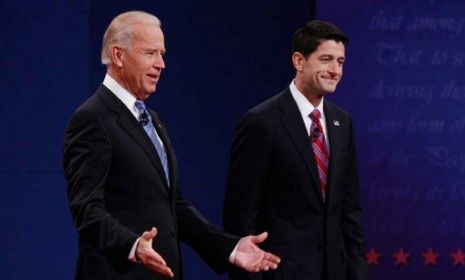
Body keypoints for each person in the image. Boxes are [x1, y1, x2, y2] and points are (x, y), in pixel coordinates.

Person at [63, 11, 280, 280]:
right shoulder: (92, 118)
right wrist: (132, 245)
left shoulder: (152, 119)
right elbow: (86, 209)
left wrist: (230, 248)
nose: (161, 64)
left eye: (162, 53)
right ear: (118, 56)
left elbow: (172, 206)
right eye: (150, 53)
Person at [223, 20, 368, 280]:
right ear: (299, 61)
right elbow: (240, 218)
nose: (335, 70)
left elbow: (349, 213)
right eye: (326, 59)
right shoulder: (261, 122)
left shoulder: (342, 123)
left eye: (341, 61)